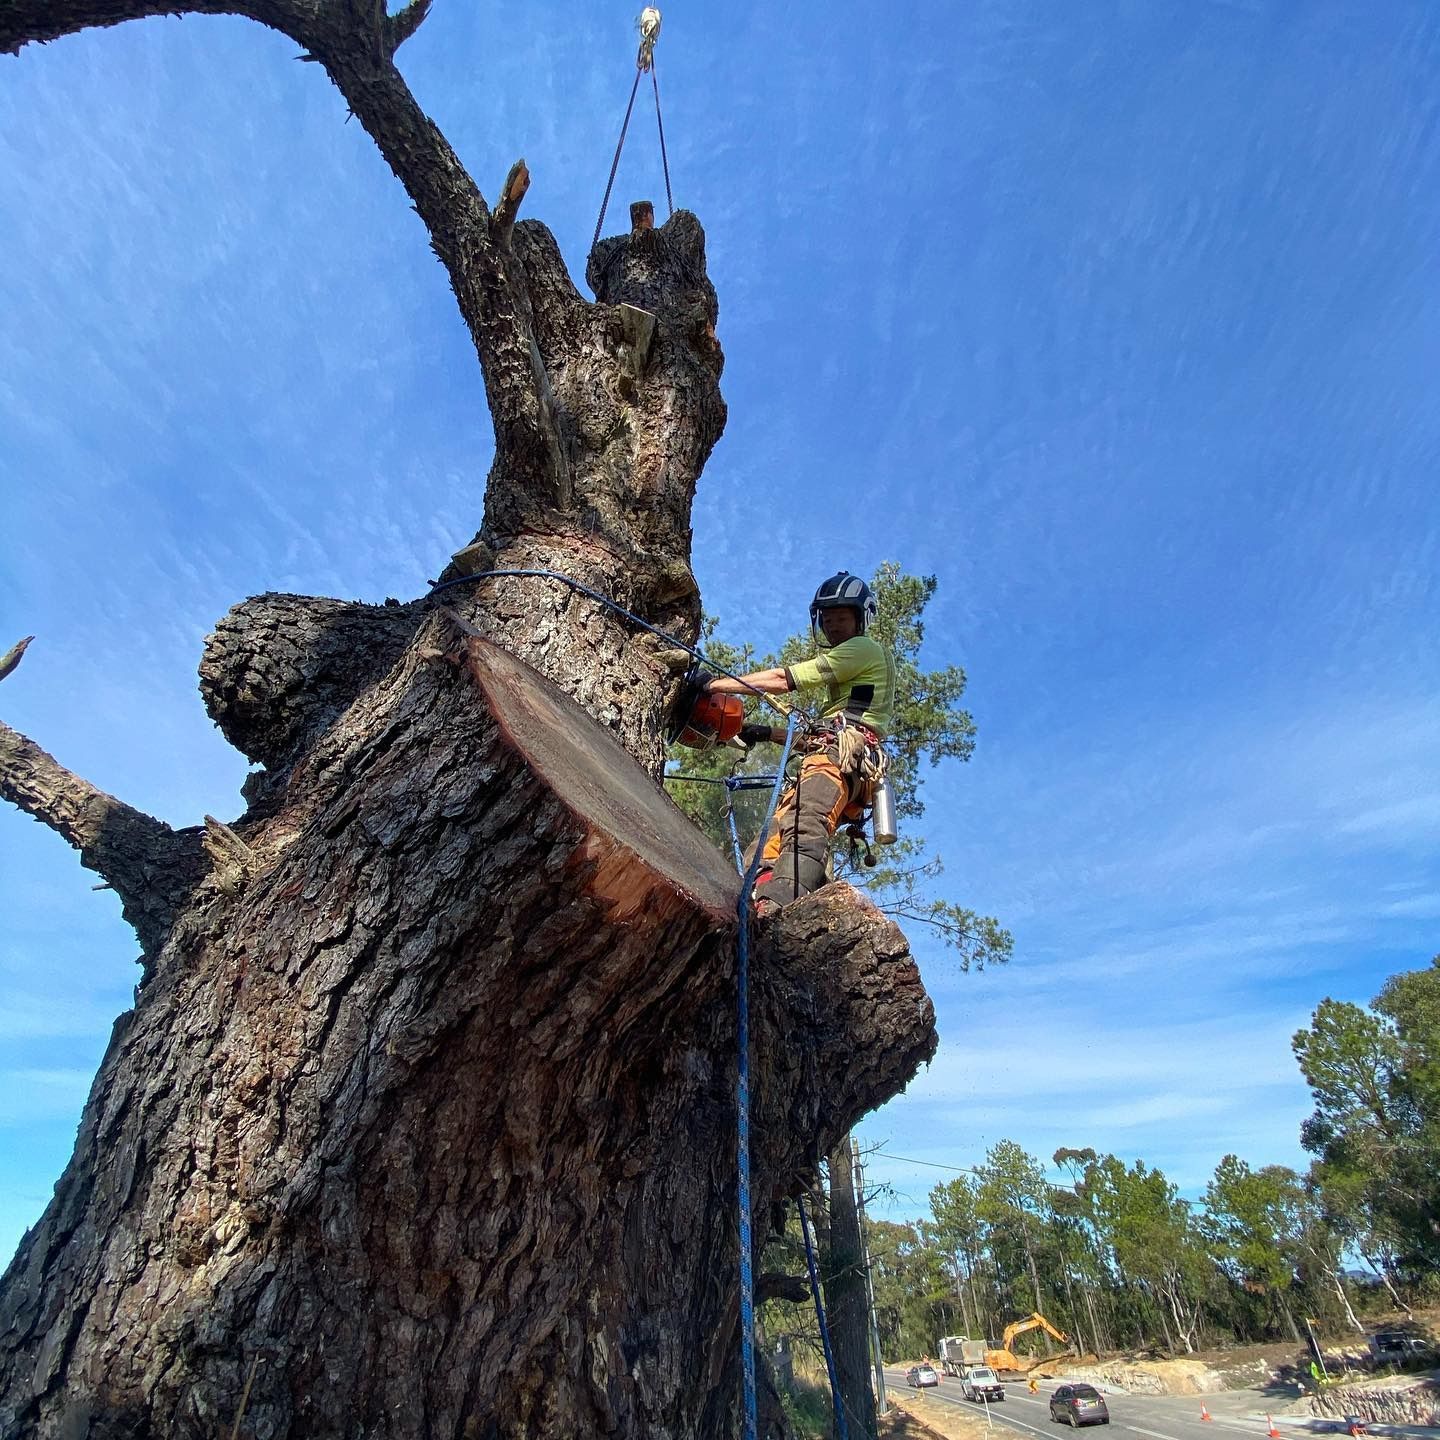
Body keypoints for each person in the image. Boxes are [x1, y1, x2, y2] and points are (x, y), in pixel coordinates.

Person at [704, 571, 895, 915]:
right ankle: (756, 899)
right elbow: (818, 739)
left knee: (805, 824)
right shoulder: (848, 694)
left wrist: (714, 685)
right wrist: (765, 733)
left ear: (859, 620)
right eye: (828, 619)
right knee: (769, 840)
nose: (834, 625)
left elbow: (783, 679)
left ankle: (777, 908)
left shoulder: (863, 649)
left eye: (841, 618)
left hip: (839, 759)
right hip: (830, 757)